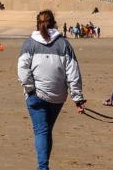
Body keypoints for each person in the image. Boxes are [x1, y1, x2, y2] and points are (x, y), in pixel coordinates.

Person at [17, 10, 85, 170]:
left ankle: (42, 167)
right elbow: (73, 72)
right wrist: (77, 98)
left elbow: (22, 69)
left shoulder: (29, 44)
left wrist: (30, 89)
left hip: (36, 95)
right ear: (54, 23)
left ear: (37, 24)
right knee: (46, 130)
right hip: (57, 96)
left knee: (42, 131)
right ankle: (43, 166)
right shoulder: (64, 44)